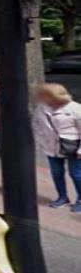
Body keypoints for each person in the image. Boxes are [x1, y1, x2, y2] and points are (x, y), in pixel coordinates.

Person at [32, 83, 81, 212]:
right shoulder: (41, 108)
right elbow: (37, 126)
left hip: (72, 146)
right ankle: (62, 197)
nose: (41, 97)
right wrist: (41, 143)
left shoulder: (75, 108)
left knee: (76, 174)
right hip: (51, 147)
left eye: (44, 95)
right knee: (56, 173)